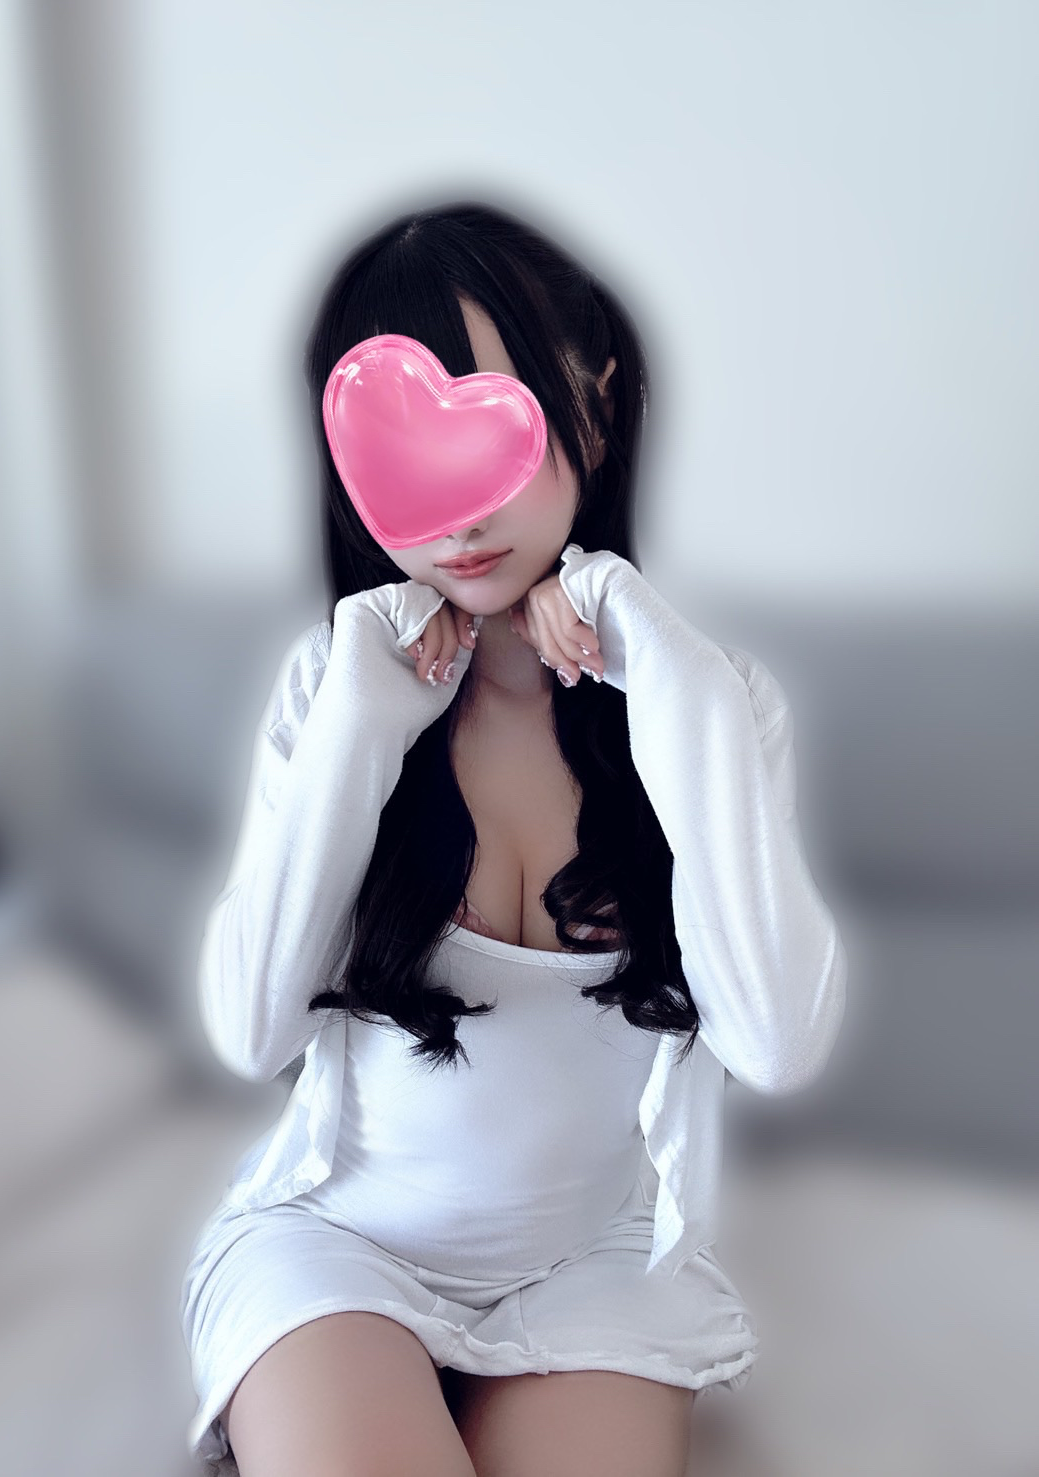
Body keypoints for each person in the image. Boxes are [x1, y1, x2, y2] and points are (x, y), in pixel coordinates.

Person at [178, 199, 847, 1477]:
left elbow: (775, 1042)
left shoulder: (712, 700)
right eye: (402, 453)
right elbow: (251, 1030)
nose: (458, 515)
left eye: (495, 426)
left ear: (594, 402)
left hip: (590, 1267)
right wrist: (362, 729)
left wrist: (673, 689)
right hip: (338, 1253)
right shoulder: (332, 688)